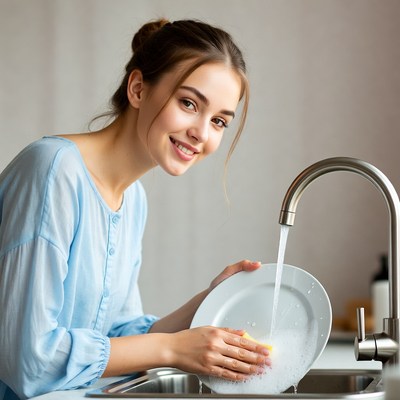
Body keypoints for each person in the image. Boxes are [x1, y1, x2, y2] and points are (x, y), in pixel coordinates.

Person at [0, 19, 271, 399]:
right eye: (189, 103)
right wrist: (175, 349)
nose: (202, 133)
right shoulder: (52, 170)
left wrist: (208, 301)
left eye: (219, 121)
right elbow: (27, 360)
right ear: (139, 89)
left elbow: (117, 339)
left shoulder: (133, 200)